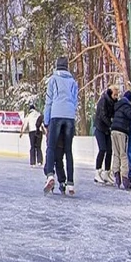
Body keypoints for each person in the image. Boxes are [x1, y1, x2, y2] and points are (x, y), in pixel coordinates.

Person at [43, 56, 79, 196]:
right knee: (68, 151)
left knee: (52, 147)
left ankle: (50, 175)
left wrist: (46, 122)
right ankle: (70, 183)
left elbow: (49, 101)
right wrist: (70, 112)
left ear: (57, 66)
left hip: (56, 115)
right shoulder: (73, 82)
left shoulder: (53, 80)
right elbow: (75, 102)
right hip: (69, 117)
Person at [111, 90, 131, 189]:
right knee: (123, 154)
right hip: (121, 131)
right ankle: (125, 179)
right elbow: (130, 114)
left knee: (116, 154)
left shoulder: (117, 105)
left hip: (113, 130)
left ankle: (116, 177)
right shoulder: (125, 105)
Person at [93, 85, 118, 184]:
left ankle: (107, 172)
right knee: (102, 149)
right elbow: (102, 115)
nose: (116, 96)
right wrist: (111, 124)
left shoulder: (114, 102)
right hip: (99, 128)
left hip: (107, 129)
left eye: (117, 95)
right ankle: (97, 172)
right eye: (115, 94)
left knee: (109, 150)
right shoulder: (103, 101)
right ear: (110, 93)